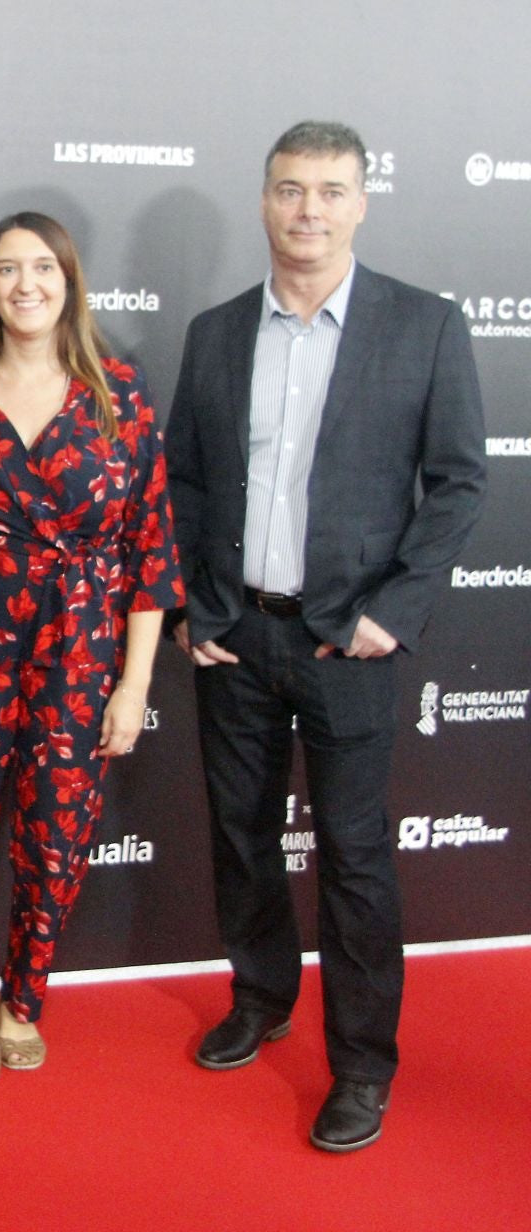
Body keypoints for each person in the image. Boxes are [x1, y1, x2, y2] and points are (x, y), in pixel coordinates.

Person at [167, 120, 485, 1152]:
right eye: (291, 189)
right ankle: (260, 996)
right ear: (265, 200)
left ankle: (362, 1064)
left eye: (331, 190)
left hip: (349, 642)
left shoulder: (424, 326)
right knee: (241, 838)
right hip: (237, 638)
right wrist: (193, 608)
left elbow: (459, 482)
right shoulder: (216, 332)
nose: (309, 209)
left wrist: (396, 610)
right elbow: (185, 480)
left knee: (353, 858)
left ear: (361, 202)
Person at [0, 212, 184, 1080]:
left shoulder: (119, 390)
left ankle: (25, 994)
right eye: (7, 269)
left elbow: (151, 546)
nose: (25, 284)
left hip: (81, 650)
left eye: (43, 267)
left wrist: (134, 683)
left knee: (58, 831)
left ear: (70, 280)